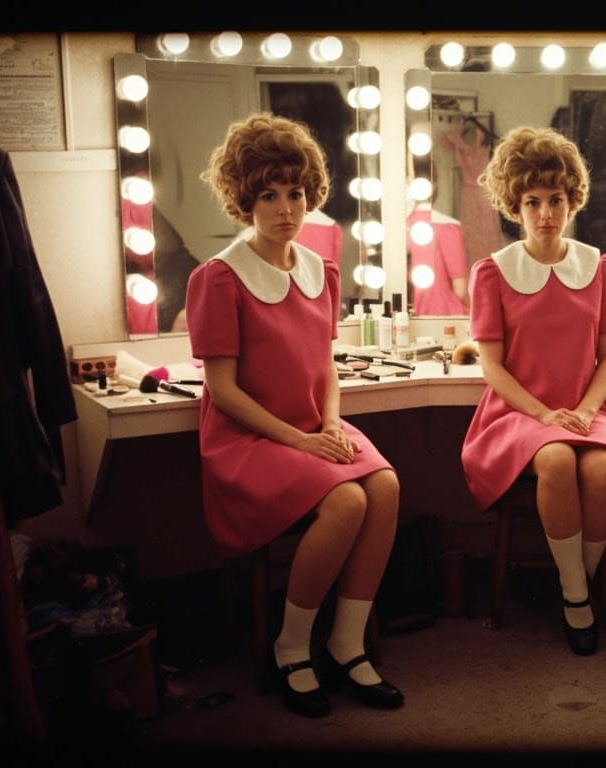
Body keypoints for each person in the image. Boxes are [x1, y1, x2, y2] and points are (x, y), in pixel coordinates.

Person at [185, 112, 404, 717]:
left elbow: (325, 365)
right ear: (244, 200)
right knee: (348, 500)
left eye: (296, 193)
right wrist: (302, 443)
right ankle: (291, 648)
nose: (286, 208)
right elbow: (223, 391)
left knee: (383, 485)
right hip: (247, 439)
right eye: (269, 195)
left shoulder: (321, 269)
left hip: (310, 426)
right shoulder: (219, 278)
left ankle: (347, 642)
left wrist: (330, 424)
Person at [460, 126, 606, 656]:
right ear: (514, 205)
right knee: (558, 461)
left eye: (556, 200)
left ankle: (576, 580)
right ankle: (576, 598)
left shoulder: (600, 267)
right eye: (533, 202)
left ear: (572, 200)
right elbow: (491, 368)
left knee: (602, 466)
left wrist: (584, 410)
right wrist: (546, 415)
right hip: (517, 414)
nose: (546, 213)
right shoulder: (493, 273)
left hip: (586, 409)